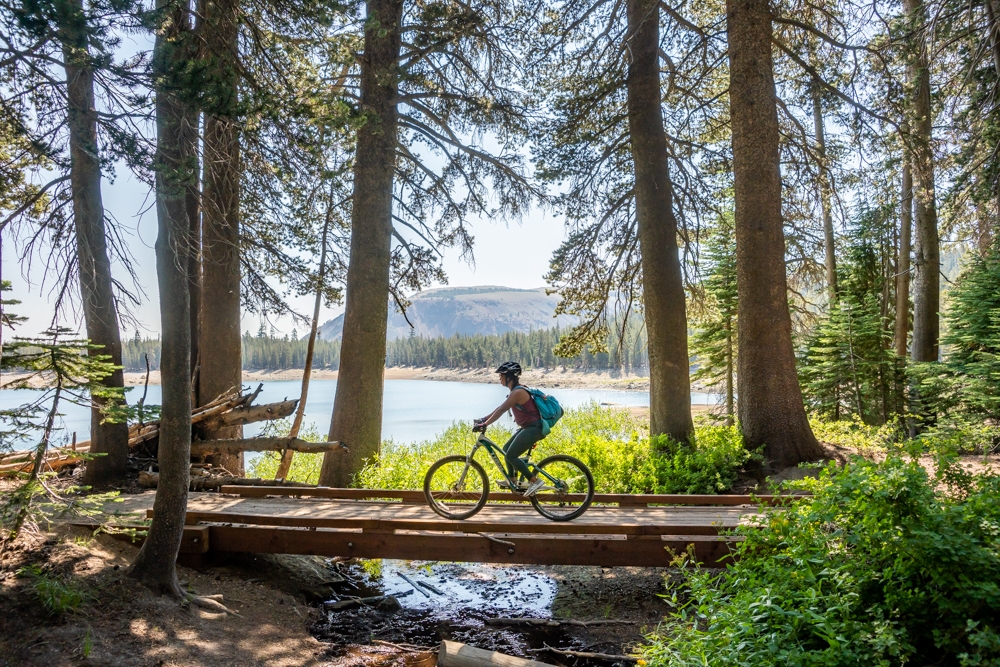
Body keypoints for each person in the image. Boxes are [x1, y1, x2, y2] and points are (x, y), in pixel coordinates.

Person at [475, 361, 547, 497]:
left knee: (511, 455)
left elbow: (502, 409)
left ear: (508, 377)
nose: (499, 378)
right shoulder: (516, 391)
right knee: (506, 449)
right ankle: (512, 480)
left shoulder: (518, 392)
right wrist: (483, 419)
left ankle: (535, 481)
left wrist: (485, 425)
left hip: (534, 428)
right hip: (528, 427)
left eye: (501, 375)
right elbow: (500, 407)